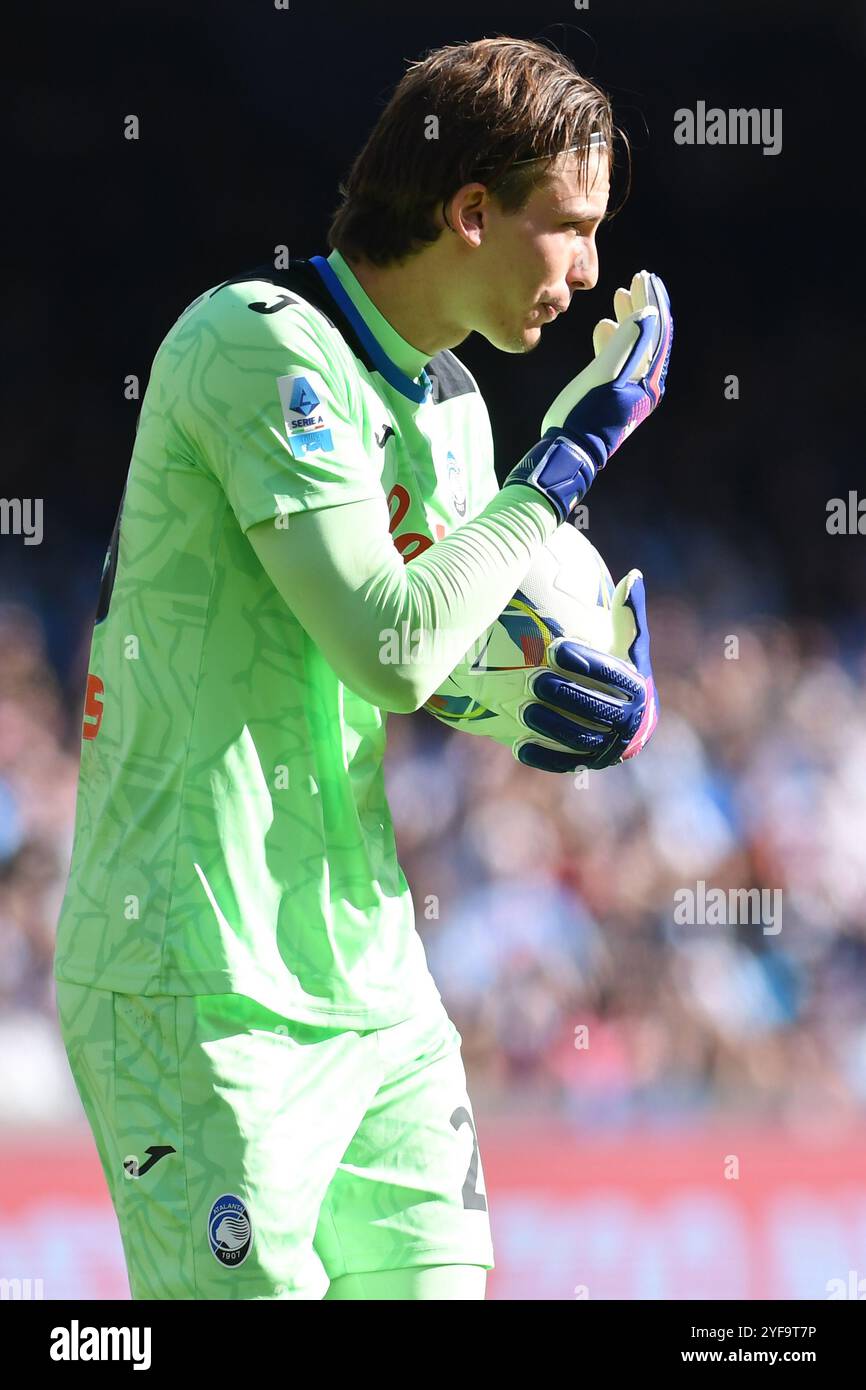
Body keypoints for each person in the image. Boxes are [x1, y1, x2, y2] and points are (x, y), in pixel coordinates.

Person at [53, 35, 671, 1301]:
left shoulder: (448, 406)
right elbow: (389, 645)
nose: (589, 268)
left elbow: (432, 655)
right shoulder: (255, 342)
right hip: (197, 978)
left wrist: (576, 688)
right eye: (569, 226)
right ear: (467, 209)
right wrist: (560, 469)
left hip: (371, 981)